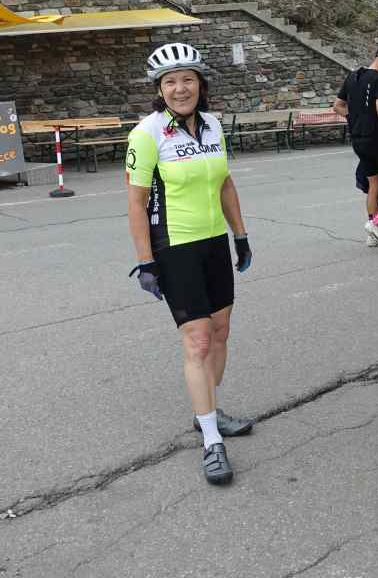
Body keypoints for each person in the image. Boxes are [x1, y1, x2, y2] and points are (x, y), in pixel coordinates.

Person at [125, 42, 254, 486]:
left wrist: (240, 235)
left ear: (201, 83)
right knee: (197, 341)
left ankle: (209, 413)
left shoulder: (215, 126)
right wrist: (145, 262)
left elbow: (226, 184)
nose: (180, 88)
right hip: (173, 247)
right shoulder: (146, 134)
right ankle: (211, 441)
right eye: (170, 82)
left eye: (187, 79)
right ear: (159, 90)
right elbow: (136, 204)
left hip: (214, 242)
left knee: (220, 332)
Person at [332, 44, 378, 249]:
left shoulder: (353, 77)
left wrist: (355, 116)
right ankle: (376, 223)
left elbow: (337, 105)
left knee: (373, 185)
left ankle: (372, 234)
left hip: (358, 140)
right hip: (377, 139)